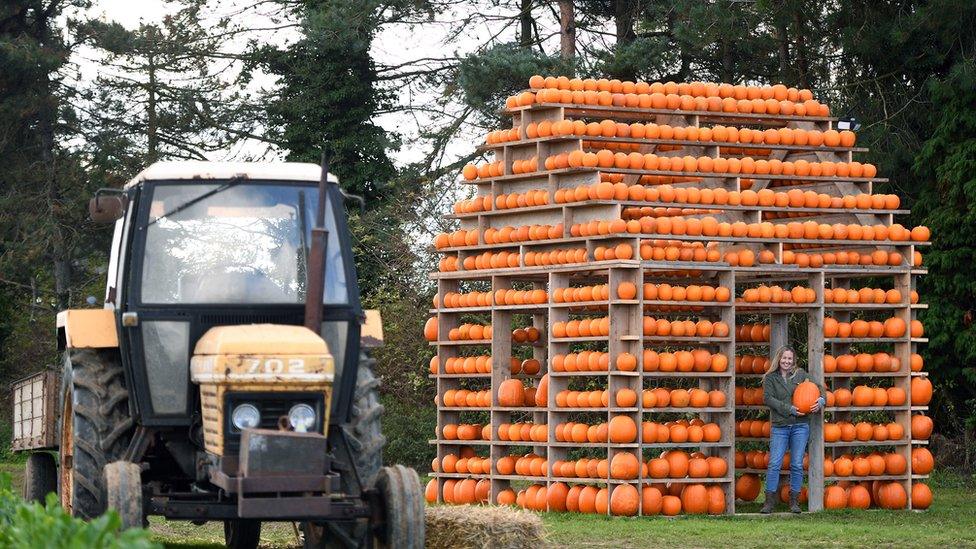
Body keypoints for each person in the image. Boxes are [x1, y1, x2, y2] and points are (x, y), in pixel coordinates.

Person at [760, 346, 825, 514]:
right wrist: (788, 409)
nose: (787, 361)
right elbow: (768, 399)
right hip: (780, 426)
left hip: (800, 425)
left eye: (790, 359)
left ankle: (794, 501)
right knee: (774, 463)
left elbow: (819, 387)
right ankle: (769, 502)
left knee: (796, 464)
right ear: (778, 359)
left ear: (793, 360)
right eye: (784, 358)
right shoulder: (770, 378)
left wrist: (821, 401)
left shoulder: (801, 375)